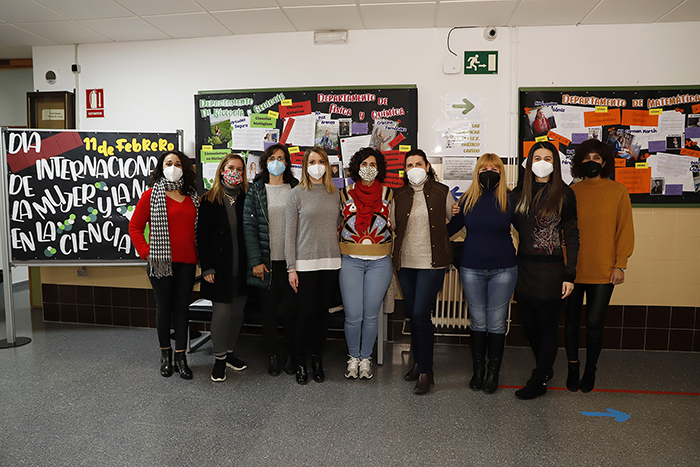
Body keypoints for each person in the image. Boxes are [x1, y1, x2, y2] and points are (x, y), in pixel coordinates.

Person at [565, 139, 634, 393]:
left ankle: (590, 369)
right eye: (586, 157)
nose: (591, 162)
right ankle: (573, 366)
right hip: (572, 269)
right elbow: (563, 231)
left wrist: (620, 265)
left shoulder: (618, 191)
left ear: (604, 163)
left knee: (594, 323)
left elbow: (625, 230)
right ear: (579, 162)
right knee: (571, 320)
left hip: (605, 270)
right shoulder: (570, 191)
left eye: (597, 158)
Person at [512, 141, 579, 400]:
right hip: (525, 270)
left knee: (548, 327)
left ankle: (539, 379)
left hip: (553, 272)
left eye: (548, 158)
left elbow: (572, 236)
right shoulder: (519, 193)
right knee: (530, 326)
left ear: (555, 163)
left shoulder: (565, 194)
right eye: (537, 157)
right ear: (529, 163)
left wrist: (569, 274)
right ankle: (545, 366)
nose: (542, 162)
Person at [447, 153, 517, 394]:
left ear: (501, 172)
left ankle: (493, 373)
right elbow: (449, 230)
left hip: (504, 269)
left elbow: (527, 230)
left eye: (494, 168)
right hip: (472, 268)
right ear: (477, 172)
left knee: (496, 323)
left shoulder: (511, 198)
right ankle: (478, 371)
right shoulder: (466, 200)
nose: (489, 171)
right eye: (484, 167)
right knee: (477, 321)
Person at [129, 150, 199, 380]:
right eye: (169, 163)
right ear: (161, 167)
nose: (173, 167)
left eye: (178, 163)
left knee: (182, 310)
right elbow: (135, 227)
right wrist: (147, 252)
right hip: (160, 263)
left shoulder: (193, 197)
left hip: (187, 263)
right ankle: (165, 355)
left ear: (185, 168)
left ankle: (181, 357)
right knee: (164, 309)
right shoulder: (150, 195)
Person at [392, 149, 455, 395]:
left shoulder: (442, 191)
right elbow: (393, 225)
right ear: (404, 169)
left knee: (419, 314)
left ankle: (427, 371)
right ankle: (419, 365)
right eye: (410, 164)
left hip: (433, 263)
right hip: (406, 263)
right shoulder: (397, 195)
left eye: (419, 163)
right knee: (415, 314)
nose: (414, 167)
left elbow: (453, 218)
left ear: (427, 166)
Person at [286, 147, 342, 385]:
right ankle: (300, 362)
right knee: (306, 315)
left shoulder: (335, 193)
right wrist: (291, 268)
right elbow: (290, 234)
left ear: (327, 165)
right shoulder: (296, 194)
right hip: (304, 264)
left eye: (321, 161)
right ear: (305, 166)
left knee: (322, 316)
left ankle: (317, 360)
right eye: (312, 161)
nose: (317, 165)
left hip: (330, 262)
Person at [243, 144, 299, 377]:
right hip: (266, 262)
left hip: (291, 263)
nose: (277, 161)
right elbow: (249, 227)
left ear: (287, 163)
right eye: (273, 158)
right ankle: (273, 355)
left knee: (291, 311)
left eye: (282, 158)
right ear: (266, 162)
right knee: (268, 312)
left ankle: (291, 355)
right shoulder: (256, 190)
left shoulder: (296, 188)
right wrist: (256, 260)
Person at [339, 147, 394, 380]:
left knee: (371, 315)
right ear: (356, 167)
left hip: (380, 262)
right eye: (363, 164)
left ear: (379, 168)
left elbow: (396, 224)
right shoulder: (344, 193)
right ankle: (353, 358)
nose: (368, 168)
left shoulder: (389, 193)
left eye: (373, 164)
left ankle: (365, 358)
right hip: (350, 260)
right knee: (353, 315)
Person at [197, 153, 250, 382]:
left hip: (243, 267)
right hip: (219, 269)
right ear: (221, 170)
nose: (234, 172)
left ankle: (229, 353)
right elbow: (202, 237)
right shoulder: (209, 199)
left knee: (237, 313)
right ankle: (218, 360)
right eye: (231, 168)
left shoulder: (247, 198)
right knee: (222, 314)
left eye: (239, 169)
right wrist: (207, 268)